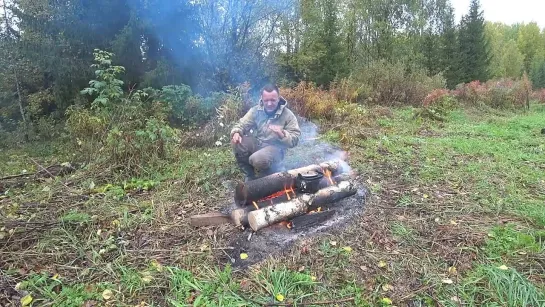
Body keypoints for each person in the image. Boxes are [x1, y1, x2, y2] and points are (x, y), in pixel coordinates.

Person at [231, 84, 301, 181]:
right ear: (262, 99)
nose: (269, 103)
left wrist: (282, 134)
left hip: (276, 149)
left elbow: (295, 138)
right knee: (237, 143)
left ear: (278, 98)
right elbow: (241, 124)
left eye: (272, 100)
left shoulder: (287, 115)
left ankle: (269, 175)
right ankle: (249, 175)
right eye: (266, 100)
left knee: (257, 159)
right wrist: (236, 132)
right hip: (259, 143)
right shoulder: (256, 111)